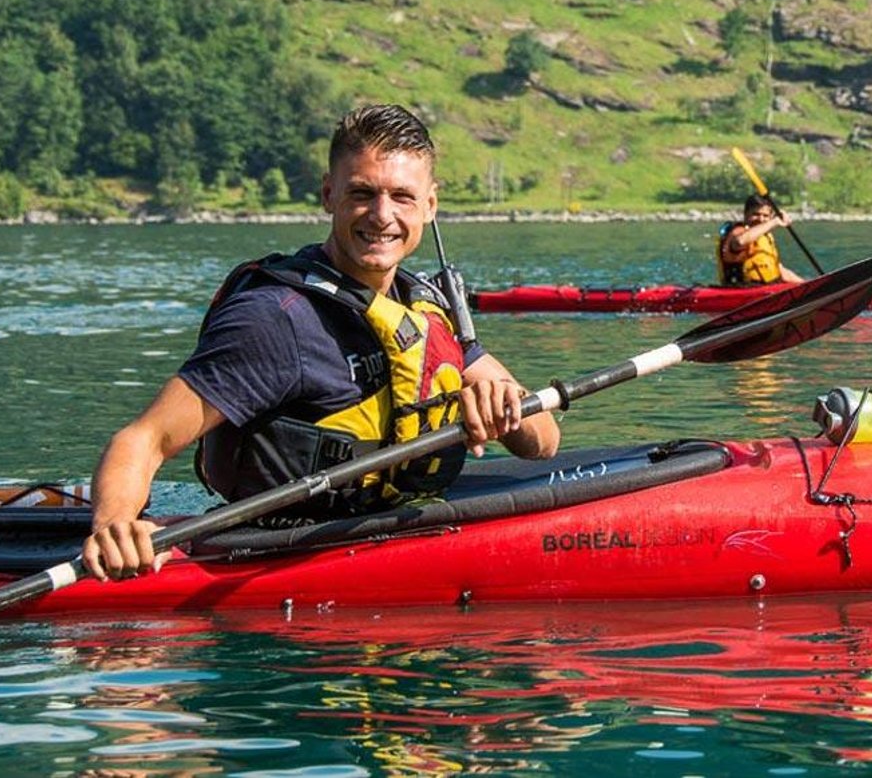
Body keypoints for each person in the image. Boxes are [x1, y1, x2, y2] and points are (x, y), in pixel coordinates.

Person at [83, 104, 561, 581]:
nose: (382, 216)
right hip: (276, 558)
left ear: (430, 206)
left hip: (392, 536)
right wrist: (116, 525)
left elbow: (544, 441)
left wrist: (504, 408)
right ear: (328, 194)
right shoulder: (274, 319)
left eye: (402, 197)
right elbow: (144, 438)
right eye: (362, 193)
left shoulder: (424, 305)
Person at [717, 195, 805, 285]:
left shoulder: (765, 237)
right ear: (746, 214)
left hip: (770, 289)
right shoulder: (738, 231)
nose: (761, 219)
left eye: (765, 215)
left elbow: (781, 272)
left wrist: (807, 285)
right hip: (743, 291)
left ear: (770, 216)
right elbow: (740, 242)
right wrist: (775, 222)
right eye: (756, 214)